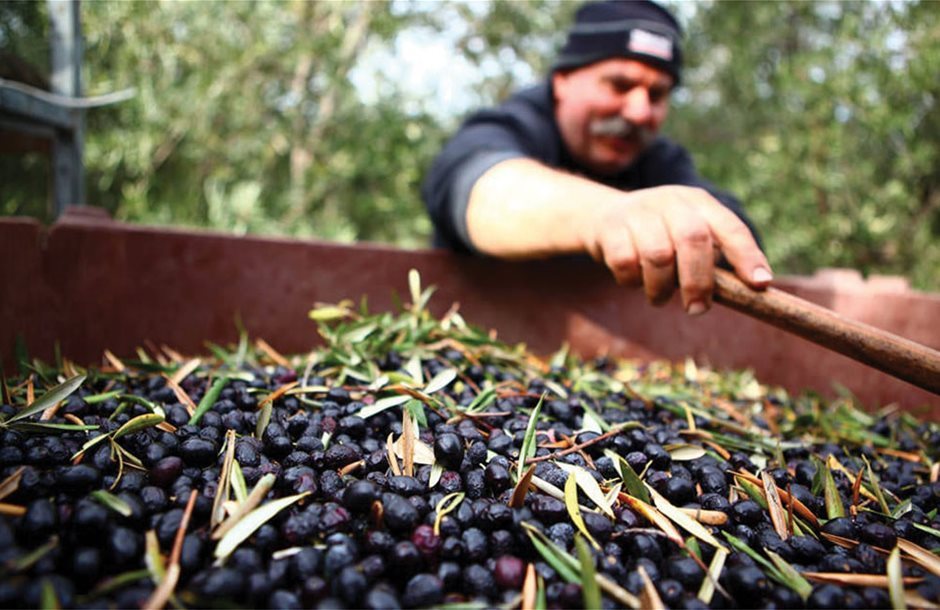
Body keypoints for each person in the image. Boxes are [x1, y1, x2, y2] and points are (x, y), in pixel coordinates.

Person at [422, 0, 773, 316]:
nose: (639, 112)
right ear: (562, 80)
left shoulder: (658, 160)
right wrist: (606, 214)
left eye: (657, 94)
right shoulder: (517, 124)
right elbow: (477, 186)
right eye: (619, 85)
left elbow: (730, 231)